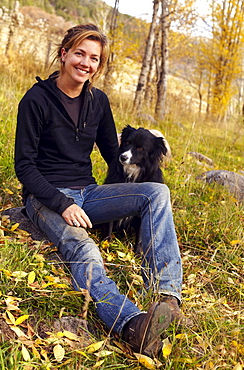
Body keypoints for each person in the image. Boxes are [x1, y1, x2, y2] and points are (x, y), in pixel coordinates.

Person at [14, 23, 187, 358]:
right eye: (79, 53)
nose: (86, 63)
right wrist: (61, 203)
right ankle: (133, 325)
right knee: (85, 251)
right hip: (46, 198)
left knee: (157, 194)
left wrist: (146, 151)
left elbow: (114, 156)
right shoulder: (35, 101)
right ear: (64, 54)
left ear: (99, 65)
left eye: (94, 58)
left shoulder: (98, 101)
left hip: (89, 193)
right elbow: (24, 166)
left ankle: (168, 300)